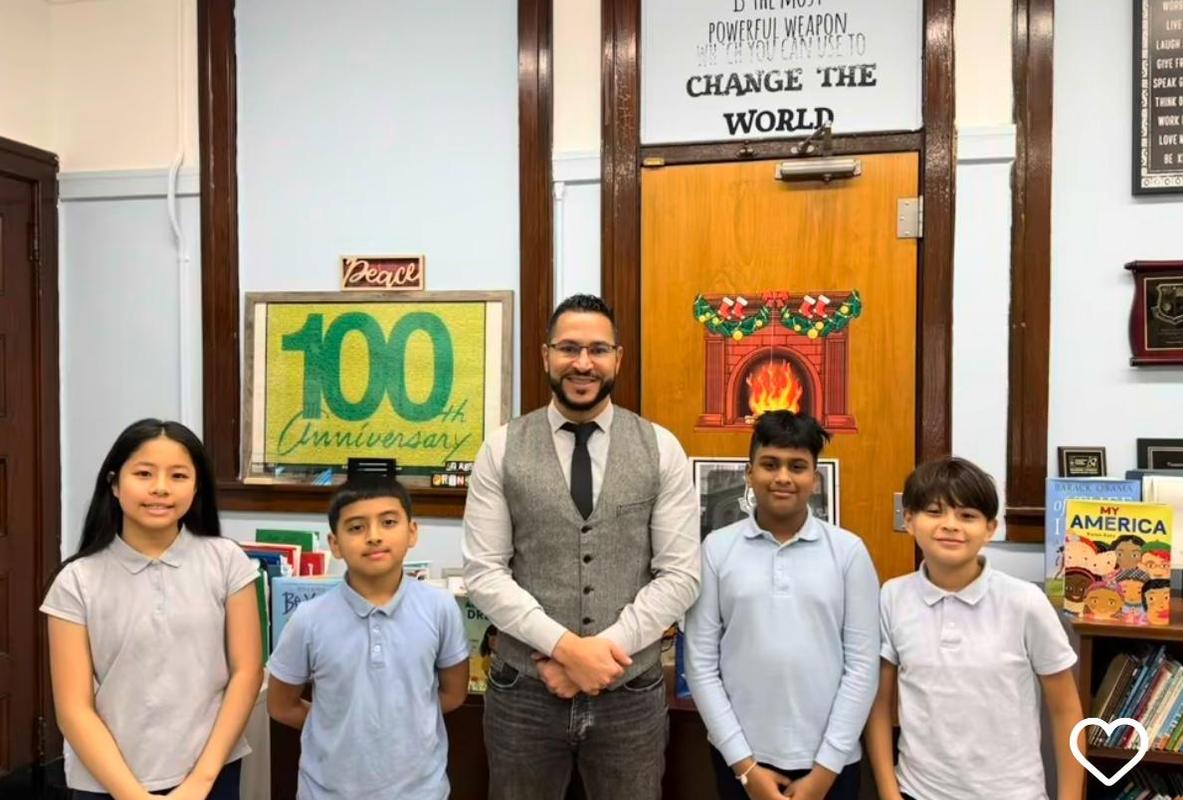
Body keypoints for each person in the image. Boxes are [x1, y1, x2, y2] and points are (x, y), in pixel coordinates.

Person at [462, 293, 701, 800]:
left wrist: (601, 657)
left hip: (630, 696)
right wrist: (567, 649)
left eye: (597, 349)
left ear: (618, 358)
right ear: (546, 354)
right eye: (569, 348)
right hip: (523, 692)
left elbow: (680, 575)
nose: (583, 363)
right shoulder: (501, 448)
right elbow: (484, 573)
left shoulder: (662, 448)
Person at [41, 419, 262, 799]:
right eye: (143, 473)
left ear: (196, 488)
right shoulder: (76, 581)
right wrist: (133, 795)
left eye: (178, 475)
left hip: (210, 773)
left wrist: (200, 782)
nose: (160, 488)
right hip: (106, 781)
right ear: (114, 483)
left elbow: (246, 672)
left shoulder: (227, 562)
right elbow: (74, 709)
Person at [685, 410, 879, 800]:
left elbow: (862, 666)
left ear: (815, 478)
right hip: (741, 760)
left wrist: (824, 772)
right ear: (749, 473)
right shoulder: (716, 549)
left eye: (797, 466)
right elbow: (701, 666)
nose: (783, 478)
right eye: (770, 464)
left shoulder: (848, 552)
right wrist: (745, 767)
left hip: (832, 762)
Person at [865, 457, 1084, 800]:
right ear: (909, 520)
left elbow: (1066, 710)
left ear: (990, 528)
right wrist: (890, 794)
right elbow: (879, 706)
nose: (951, 525)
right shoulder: (893, 596)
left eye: (967, 516)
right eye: (935, 512)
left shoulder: (1025, 602)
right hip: (917, 792)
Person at [267, 476, 469, 800]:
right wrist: (338, 724)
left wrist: (401, 719)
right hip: (326, 792)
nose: (374, 537)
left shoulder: (440, 608)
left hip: (421, 792)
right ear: (335, 543)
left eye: (388, 522)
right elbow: (280, 705)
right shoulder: (308, 619)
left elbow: (454, 693)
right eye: (356, 527)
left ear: (412, 531)